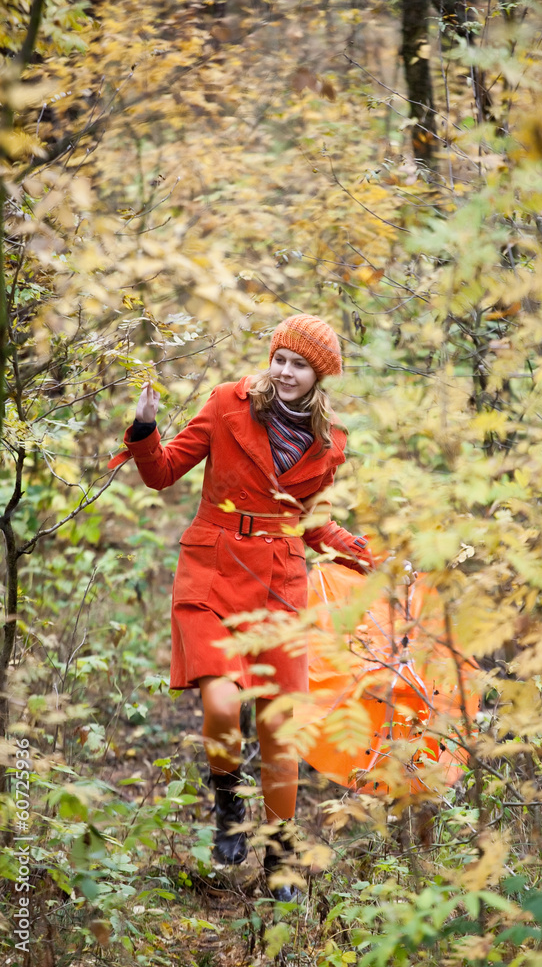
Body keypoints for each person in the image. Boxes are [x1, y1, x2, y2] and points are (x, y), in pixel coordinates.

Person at [108, 314, 374, 900]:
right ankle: (228, 802)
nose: (284, 372)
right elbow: (163, 473)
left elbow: (315, 525)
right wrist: (144, 428)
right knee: (222, 703)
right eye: (280, 358)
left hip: (279, 581)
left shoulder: (329, 442)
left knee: (280, 729)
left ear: (319, 375)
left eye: (298, 365)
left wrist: (365, 555)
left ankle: (280, 856)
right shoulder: (228, 403)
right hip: (212, 570)